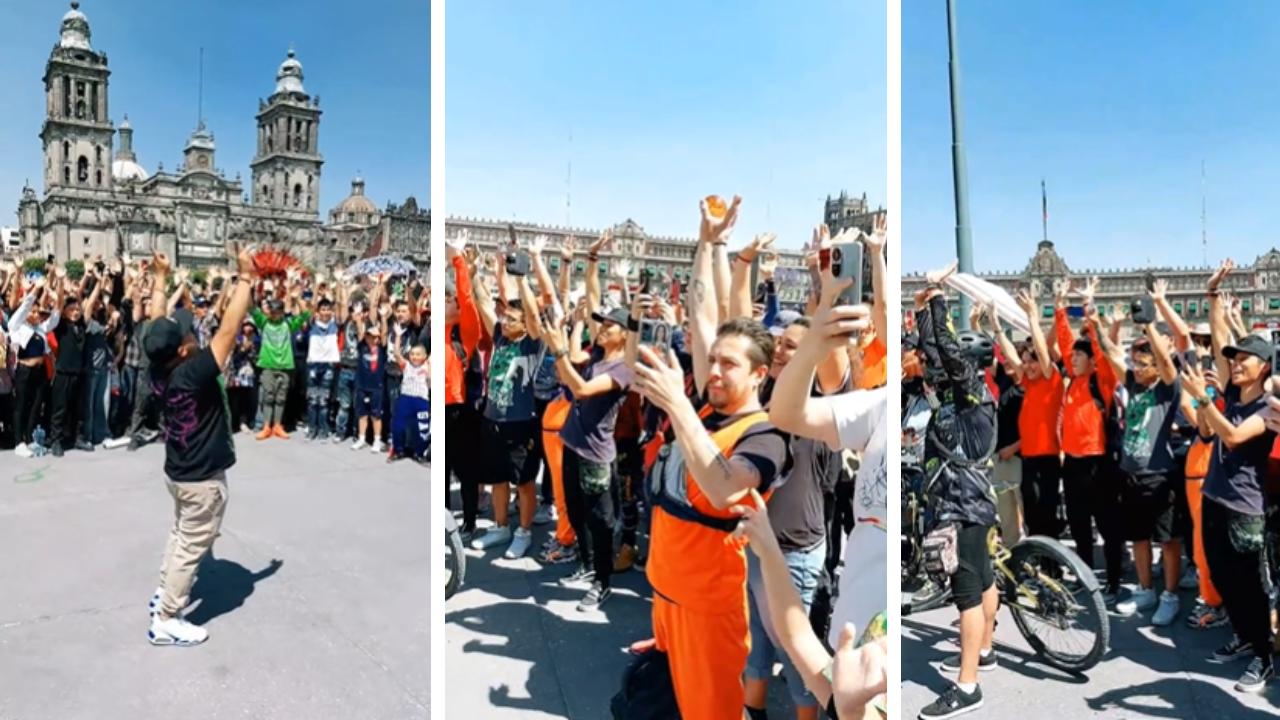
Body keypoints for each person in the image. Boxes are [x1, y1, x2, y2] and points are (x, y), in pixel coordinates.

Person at [634, 196, 790, 719]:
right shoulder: (706, 404)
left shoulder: (765, 436)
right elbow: (703, 313)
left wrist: (678, 402)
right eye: (713, 362)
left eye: (729, 364)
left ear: (758, 375)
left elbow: (726, 488)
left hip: (708, 612)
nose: (715, 371)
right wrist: (708, 241)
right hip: (666, 595)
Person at [145, 245, 256, 646]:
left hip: (178, 473)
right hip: (200, 479)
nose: (189, 332)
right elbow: (228, 331)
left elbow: (155, 320)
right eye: (185, 333)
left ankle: (165, 591)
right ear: (180, 349)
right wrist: (245, 277)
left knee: (181, 535)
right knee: (192, 541)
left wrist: (160, 278)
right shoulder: (193, 373)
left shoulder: (158, 365)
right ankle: (168, 617)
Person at [1184, 258, 1277, 693]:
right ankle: (1243, 636)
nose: (1236, 364)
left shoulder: (1266, 411)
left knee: (1250, 586)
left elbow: (1236, 437)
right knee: (1221, 577)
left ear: (1265, 367)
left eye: (1245, 360)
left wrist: (1203, 403)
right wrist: (1213, 295)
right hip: (1215, 498)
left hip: (1245, 510)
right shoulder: (1230, 393)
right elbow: (1221, 336)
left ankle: (1263, 656)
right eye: (1234, 360)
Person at [912, 263, 999, 720]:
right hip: (969, 503)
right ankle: (984, 650)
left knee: (966, 593)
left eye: (948, 368)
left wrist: (942, 295)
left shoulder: (973, 397)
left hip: (961, 507)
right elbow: (935, 351)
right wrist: (925, 304)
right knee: (984, 580)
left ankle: (967, 688)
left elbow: (947, 353)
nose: (934, 371)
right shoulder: (957, 398)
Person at [543, 305, 633, 609]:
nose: (604, 329)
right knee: (576, 511)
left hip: (595, 454)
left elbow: (579, 389)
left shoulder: (623, 368)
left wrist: (557, 350)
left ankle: (602, 582)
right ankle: (586, 563)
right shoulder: (597, 357)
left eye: (611, 325)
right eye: (602, 324)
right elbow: (574, 360)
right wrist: (577, 325)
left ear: (625, 335)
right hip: (571, 443)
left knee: (601, 521)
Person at [468, 262, 545, 559]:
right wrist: (472, 273)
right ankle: (501, 527)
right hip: (492, 420)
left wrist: (521, 280)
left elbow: (535, 315)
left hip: (520, 423)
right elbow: (485, 303)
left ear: (526, 324)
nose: (506, 322)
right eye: (506, 318)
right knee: (497, 476)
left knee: (523, 481)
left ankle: (523, 532)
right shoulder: (499, 336)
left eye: (513, 319)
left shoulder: (533, 344)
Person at [8, 277, 60, 458]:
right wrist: (35, 291)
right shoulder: (17, 326)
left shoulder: (40, 329)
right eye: (34, 312)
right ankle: (18, 442)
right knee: (20, 406)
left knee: (36, 406)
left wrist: (58, 289)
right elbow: (22, 309)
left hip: (39, 372)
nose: (37, 315)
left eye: (39, 312)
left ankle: (30, 439)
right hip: (24, 371)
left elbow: (55, 319)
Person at [250, 295, 309, 440]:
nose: (275, 315)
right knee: (268, 397)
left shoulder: (288, 324)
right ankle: (266, 426)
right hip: (268, 366)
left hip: (285, 366)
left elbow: (306, 315)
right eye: (272, 311)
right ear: (269, 312)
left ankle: (277, 425)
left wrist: (298, 300)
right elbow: (251, 309)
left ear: (282, 312)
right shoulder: (264, 322)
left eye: (278, 312)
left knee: (281, 398)